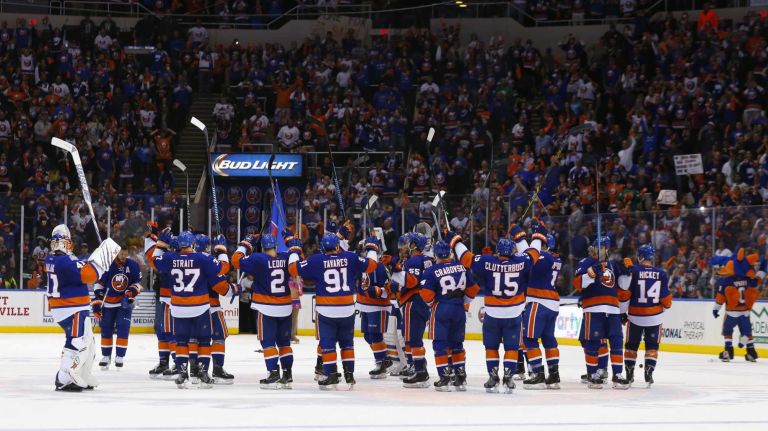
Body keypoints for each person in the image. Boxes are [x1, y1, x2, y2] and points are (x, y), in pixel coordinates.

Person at [447, 222, 545, 393]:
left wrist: (455, 240)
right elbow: (534, 253)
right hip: (514, 315)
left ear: (498, 251)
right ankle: (508, 377)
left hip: (492, 315)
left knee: (491, 347)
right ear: (513, 250)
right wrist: (536, 236)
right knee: (512, 348)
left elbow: (466, 258)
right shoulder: (521, 261)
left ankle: (493, 376)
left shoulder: (487, 261)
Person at [147, 230, 238, 389]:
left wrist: (161, 244)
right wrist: (222, 250)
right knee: (204, 340)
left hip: (178, 308)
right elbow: (223, 268)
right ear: (192, 244)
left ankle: (183, 372)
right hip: (200, 307)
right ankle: (203, 372)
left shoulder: (171, 258)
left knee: (182, 341)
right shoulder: (203, 258)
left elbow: (154, 260)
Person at [287, 232, 378, 390]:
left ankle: (331, 374)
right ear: (337, 246)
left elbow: (293, 269)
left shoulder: (316, 259)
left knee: (328, 344)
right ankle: (349, 374)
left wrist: (294, 250)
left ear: (323, 246)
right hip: (347, 310)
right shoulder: (350, 257)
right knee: (347, 344)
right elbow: (371, 265)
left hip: (327, 310)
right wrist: (372, 248)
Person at [46, 224, 119, 391]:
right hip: (72, 308)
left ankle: (83, 373)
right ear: (64, 243)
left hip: (68, 308)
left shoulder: (54, 259)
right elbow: (88, 275)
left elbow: (81, 266)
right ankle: (64, 377)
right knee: (78, 341)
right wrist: (102, 258)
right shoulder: (65, 261)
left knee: (89, 343)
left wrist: (101, 256)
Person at [232, 233, 295, 389]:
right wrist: (292, 244)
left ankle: (273, 373)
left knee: (267, 343)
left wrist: (245, 244)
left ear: (263, 247)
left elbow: (235, 261)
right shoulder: (287, 257)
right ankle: (287, 373)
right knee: (284, 343)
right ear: (276, 245)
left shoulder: (257, 259)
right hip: (285, 307)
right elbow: (297, 264)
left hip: (265, 307)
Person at [420, 240, 480, 392]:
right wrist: (461, 301)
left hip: (441, 308)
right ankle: (460, 377)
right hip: (458, 309)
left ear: (435, 255)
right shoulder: (463, 268)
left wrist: (434, 304)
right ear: (450, 254)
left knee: (440, 345)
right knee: (457, 344)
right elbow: (473, 289)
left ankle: (444, 377)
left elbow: (426, 295)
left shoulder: (431, 270)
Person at [573, 236, 632, 389]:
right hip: (593, 309)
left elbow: (624, 287)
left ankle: (617, 375)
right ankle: (593, 374)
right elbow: (578, 283)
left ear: (607, 249)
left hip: (613, 309)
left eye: (602, 247)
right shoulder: (586, 262)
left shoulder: (613, 265)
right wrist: (591, 273)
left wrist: (628, 272)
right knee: (593, 342)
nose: (598, 250)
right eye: (596, 247)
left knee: (617, 341)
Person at [621, 244, 672, 387]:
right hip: (654, 317)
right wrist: (665, 307)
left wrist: (622, 313)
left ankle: (629, 373)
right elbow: (666, 300)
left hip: (635, 316)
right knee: (652, 347)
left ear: (640, 256)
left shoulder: (634, 270)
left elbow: (626, 294)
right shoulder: (661, 273)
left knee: (631, 346)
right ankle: (649, 372)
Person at [391, 232, 434, 388]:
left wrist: (395, 272)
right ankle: (419, 369)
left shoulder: (414, 260)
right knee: (415, 339)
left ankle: (420, 373)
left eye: (406, 243)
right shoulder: (427, 259)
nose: (402, 246)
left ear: (414, 245)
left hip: (413, 302)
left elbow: (412, 282)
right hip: (424, 302)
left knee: (413, 340)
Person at [521, 232, 562, 389]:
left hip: (539, 302)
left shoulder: (544, 257)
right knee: (549, 340)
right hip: (552, 304)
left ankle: (537, 374)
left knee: (529, 339)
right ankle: (554, 375)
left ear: (544, 245)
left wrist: (521, 240)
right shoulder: (556, 258)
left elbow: (528, 260)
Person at [92, 248, 142, 370]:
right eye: (121, 253)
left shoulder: (133, 265)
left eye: (126, 253)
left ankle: (120, 356)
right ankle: (106, 356)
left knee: (123, 328)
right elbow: (99, 284)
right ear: (116, 253)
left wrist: (130, 293)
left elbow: (138, 284)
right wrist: (98, 300)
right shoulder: (107, 265)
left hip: (123, 303)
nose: (124, 255)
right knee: (106, 329)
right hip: (108, 303)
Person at [195, 234, 235, 384]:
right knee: (218, 336)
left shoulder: (187, 258)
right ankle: (217, 368)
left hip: (192, 306)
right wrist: (222, 251)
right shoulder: (207, 260)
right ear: (207, 246)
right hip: (210, 306)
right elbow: (222, 271)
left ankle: (194, 369)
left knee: (195, 339)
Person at [713, 249, 761, 362]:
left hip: (731, 312)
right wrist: (760, 273)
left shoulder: (727, 281)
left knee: (727, 331)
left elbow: (720, 297)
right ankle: (751, 352)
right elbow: (756, 282)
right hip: (745, 312)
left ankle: (728, 351)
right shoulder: (747, 279)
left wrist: (716, 309)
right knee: (747, 332)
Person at [356, 252, 394, 379]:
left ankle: (381, 363)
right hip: (365, 305)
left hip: (378, 307)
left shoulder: (380, 267)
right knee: (368, 336)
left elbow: (388, 289)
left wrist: (377, 291)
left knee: (375, 335)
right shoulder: (363, 265)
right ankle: (385, 359)